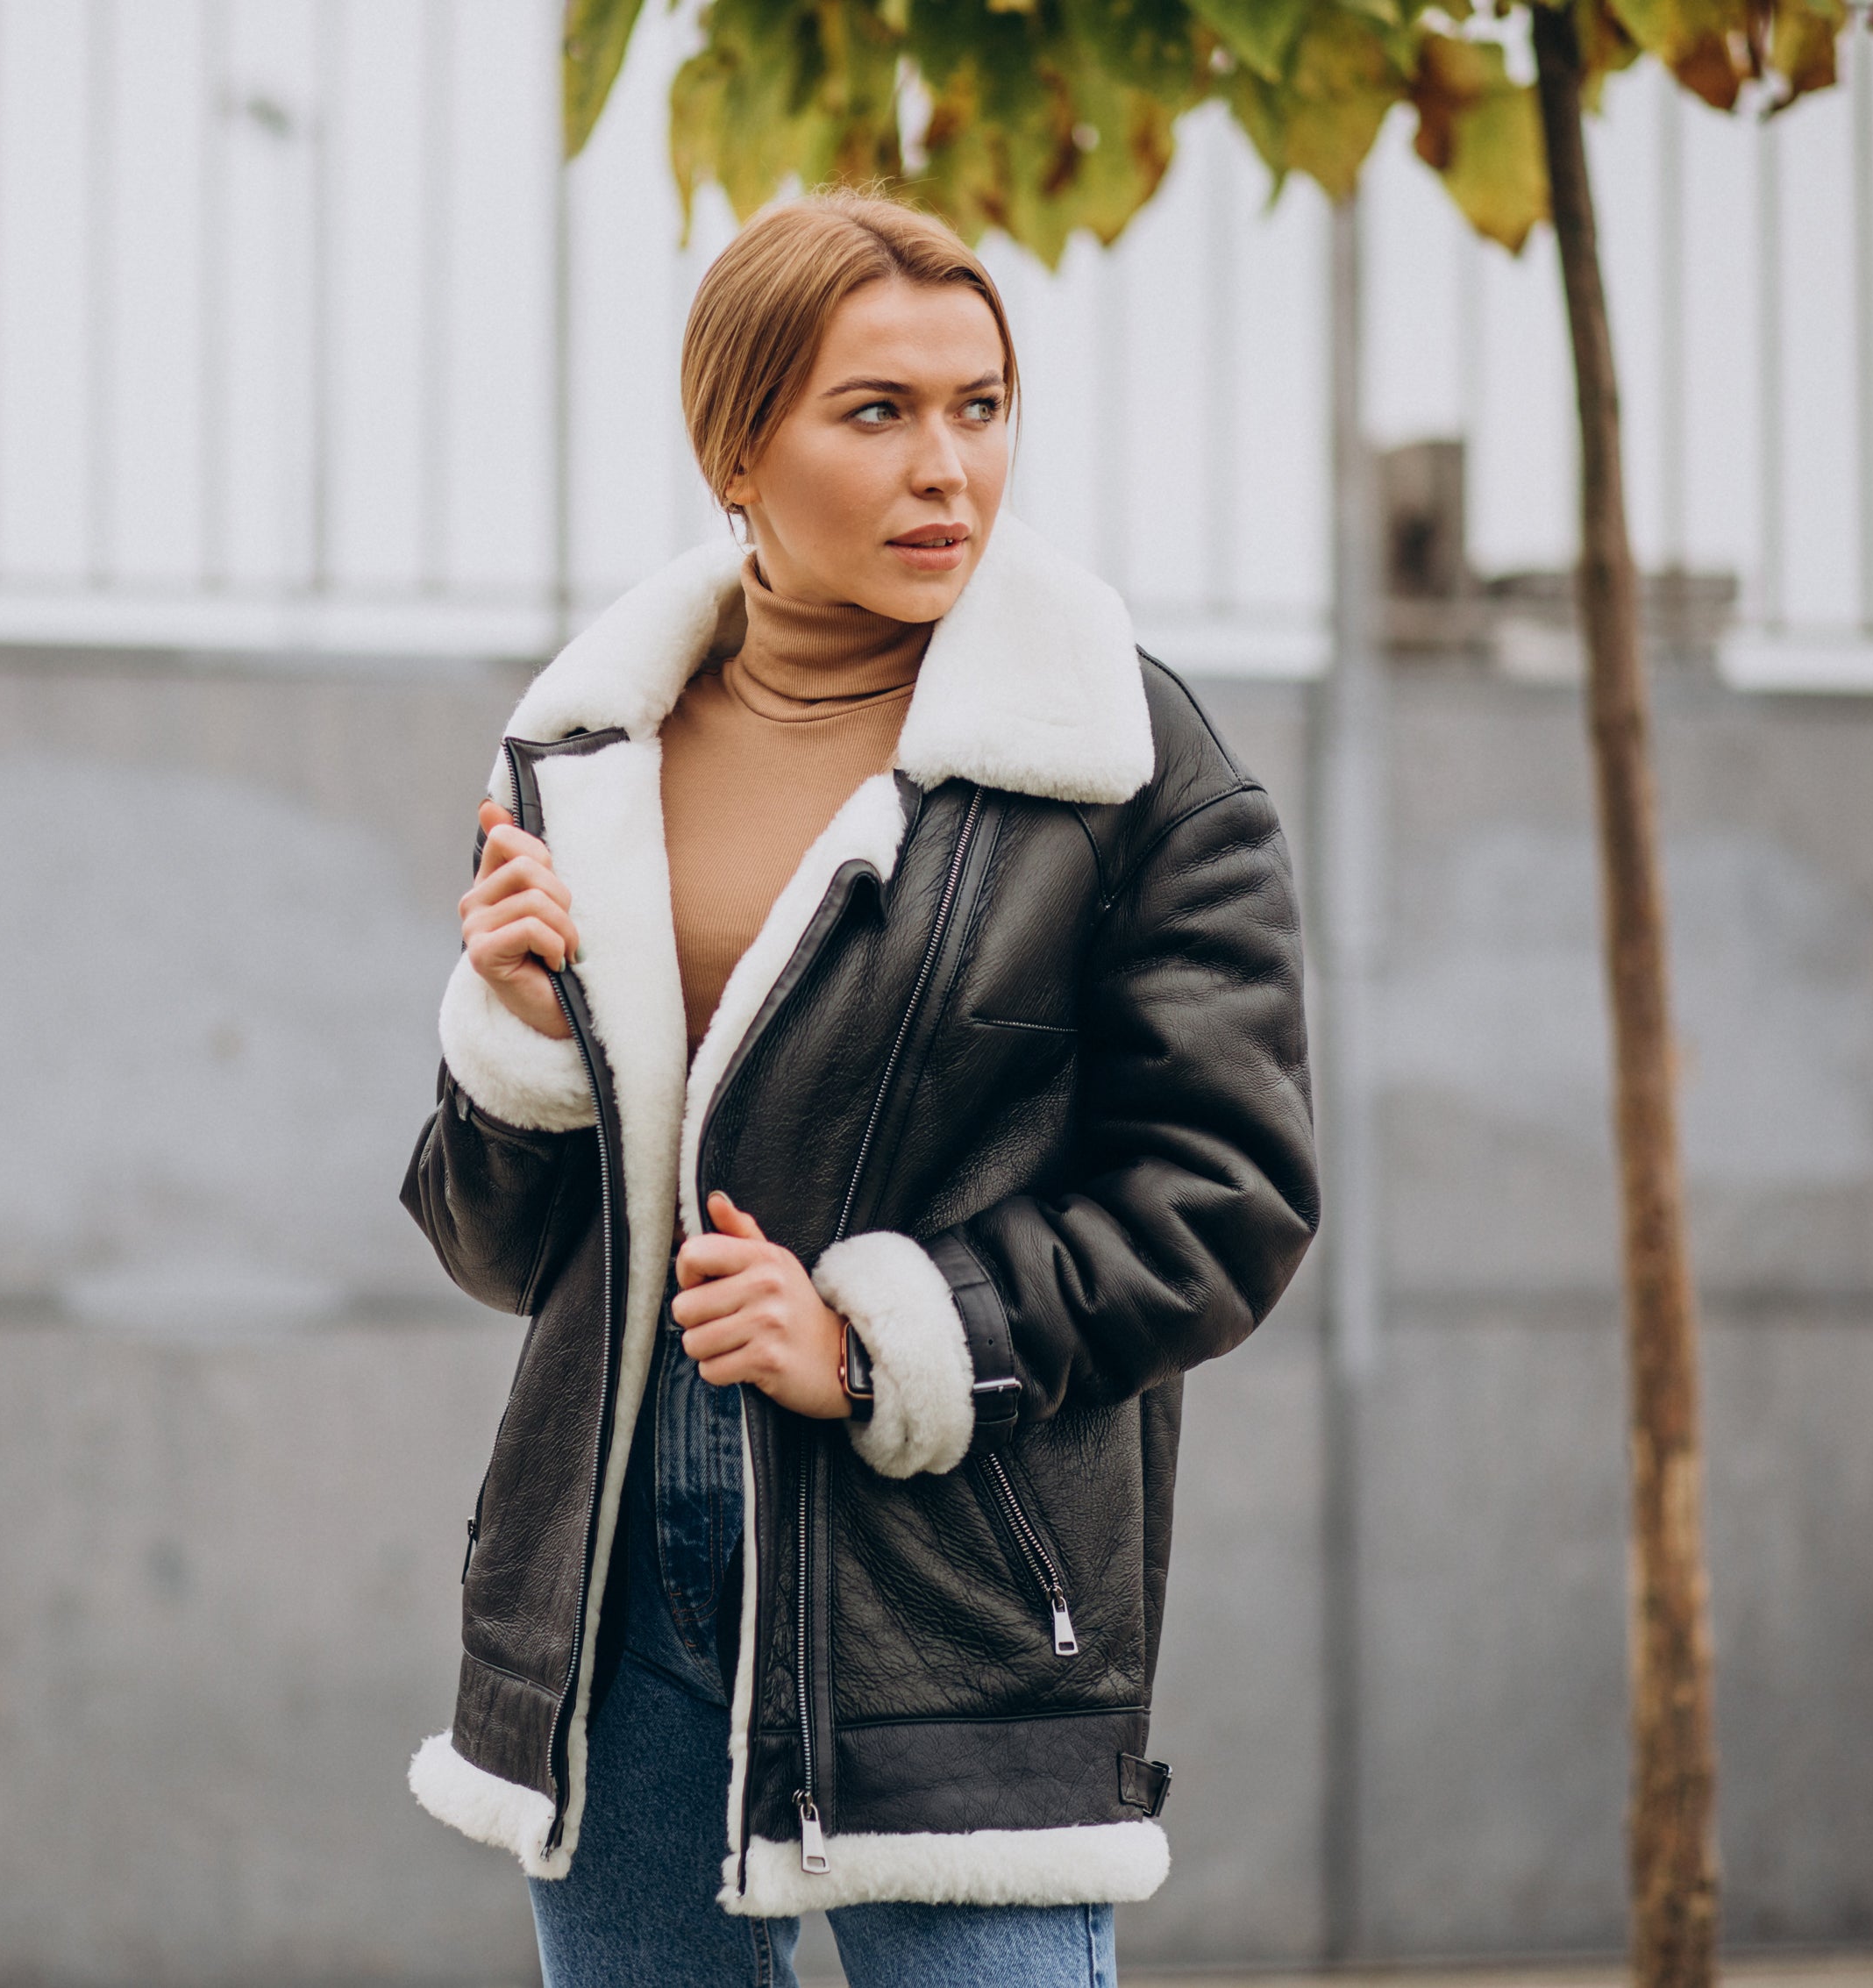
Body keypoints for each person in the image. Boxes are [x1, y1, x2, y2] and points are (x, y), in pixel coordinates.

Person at [399, 190, 1318, 1988]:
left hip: (946, 1583)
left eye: (976, 407)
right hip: (606, 1592)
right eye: (876, 412)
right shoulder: (583, 756)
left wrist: (881, 1338)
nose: (944, 470)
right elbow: (503, 1250)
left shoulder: (1115, 762)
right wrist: (513, 1022)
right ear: (735, 442)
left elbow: (1225, 1198)